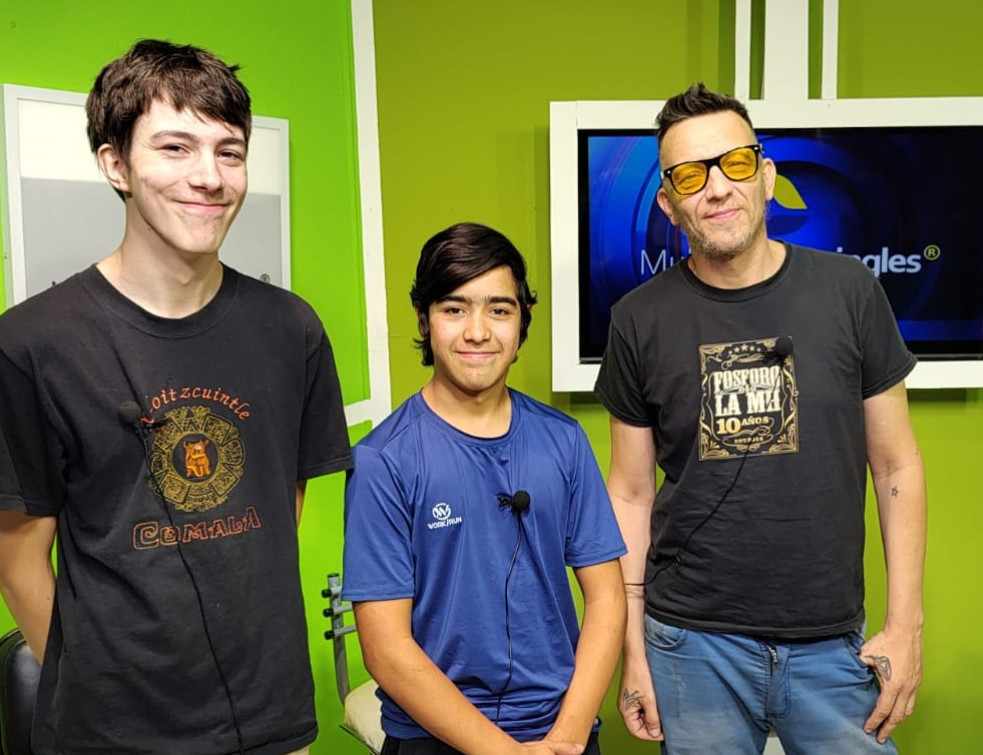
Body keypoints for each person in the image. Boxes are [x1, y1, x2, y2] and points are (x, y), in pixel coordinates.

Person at [0, 40, 352, 754]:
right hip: (111, 734)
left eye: (229, 151)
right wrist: (95, 691)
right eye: (175, 147)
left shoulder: (292, 329)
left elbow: (276, 505)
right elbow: (16, 557)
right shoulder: (32, 342)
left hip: (273, 720)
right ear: (115, 164)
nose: (209, 177)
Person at [595, 83, 926, 754]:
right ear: (668, 203)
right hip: (690, 644)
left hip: (831, 642)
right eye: (690, 175)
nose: (716, 188)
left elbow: (896, 465)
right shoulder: (637, 319)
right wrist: (631, 648)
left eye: (735, 163)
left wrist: (905, 624)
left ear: (767, 176)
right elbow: (628, 493)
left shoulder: (850, 291)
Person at [342, 222, 627, 755]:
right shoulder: (384, 460)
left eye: (499, 309)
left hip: (560, 734)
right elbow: (386, 649)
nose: (477, 332)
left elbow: (608, 596)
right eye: (454, 309)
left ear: (522, 321)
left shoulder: (563, 440)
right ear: (423, 318)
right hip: (432, 735)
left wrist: (568, 735)